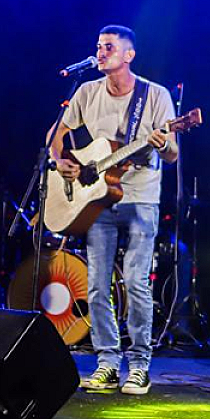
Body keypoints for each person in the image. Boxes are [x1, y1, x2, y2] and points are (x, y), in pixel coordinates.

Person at [49, 25, 177, 395]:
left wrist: (162, 143)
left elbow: (173, 154)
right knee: (96, 283)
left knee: (136, 282)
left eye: (108, 47)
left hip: (140, 198)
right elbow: (54, 135)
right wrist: (61, 161)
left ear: (128, 55)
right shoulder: (87, 92)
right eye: (98, 46)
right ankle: (107, 362)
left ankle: (139, 365)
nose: (100, 52)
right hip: (97, 199)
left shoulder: (155, 96)